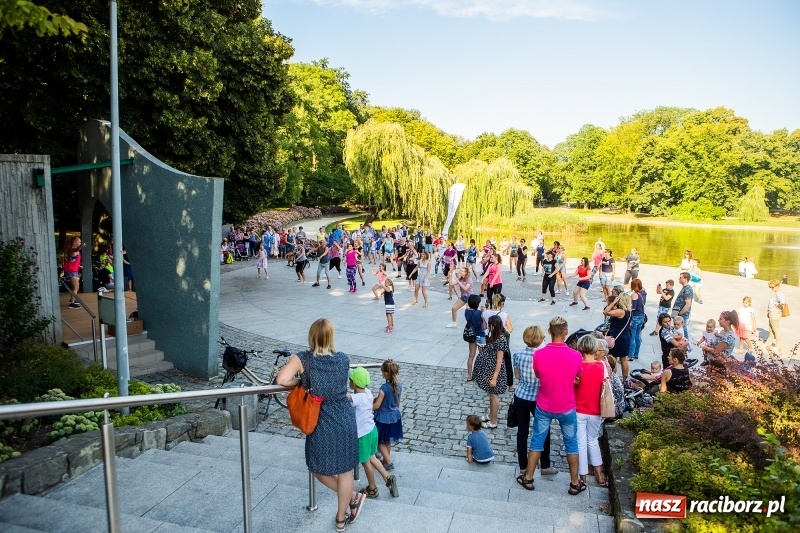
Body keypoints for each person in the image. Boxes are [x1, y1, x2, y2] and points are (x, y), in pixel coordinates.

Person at [275, 319, 365, 531]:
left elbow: (281, 379)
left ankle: (352, 498)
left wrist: (301, 382)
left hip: (320, 421)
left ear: (311, 336)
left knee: (316, 466)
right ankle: (341, 517)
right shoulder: (343, 359)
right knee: (345, 471)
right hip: (344, 419)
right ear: (331, 337)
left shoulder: (303, 359)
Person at [517, 316, 583, 495]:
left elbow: (538, 375)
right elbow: (578, 378)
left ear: (549, 331)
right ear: (566, 332)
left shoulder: (539, 354)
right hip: (567, 405)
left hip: (545, 405)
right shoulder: (576, 356)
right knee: (571, 444)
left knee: (537, 441)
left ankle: (529, 477)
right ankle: (575, 482)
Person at [512, 325, 557, 476]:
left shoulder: (518, 355)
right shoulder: (546, 356)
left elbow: (517, 376)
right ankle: (545, 465)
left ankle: (523, 466)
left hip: (521, 396)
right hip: (539, 398)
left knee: (522, 432)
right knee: (543, 431)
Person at [348, 367, 399, 499]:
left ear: (353, 383)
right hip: (372, 430)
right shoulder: (368, 393)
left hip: (363, 435)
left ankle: (372, 488)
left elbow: (346, 396)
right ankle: (388, 479)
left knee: (366, 462)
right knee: (372, 457)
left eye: (350, 379)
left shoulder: (356, 398)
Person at [574, 335, 607, 488]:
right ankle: (600, 474)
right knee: (592, 440)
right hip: (596, 410)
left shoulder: (577, 365)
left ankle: (583, 476)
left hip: (579, 409)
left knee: (580, 443)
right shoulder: (602, 366)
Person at [473, 315, 509, 429]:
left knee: (494, 396)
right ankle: (491, 415)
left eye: (489, 325)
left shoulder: (501, 339)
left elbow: (499, 361)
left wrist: (494, 378)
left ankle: (493, 421)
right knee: (491, 395)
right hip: (489, 372)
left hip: (495, 373)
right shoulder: (494, 336)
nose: (488, 327)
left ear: (493, 326)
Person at [373, 359, 403, 471]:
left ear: (386, 373)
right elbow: (397, 403)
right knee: (387, 440)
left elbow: (377, 405)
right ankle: (386, 461)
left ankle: (389, 462)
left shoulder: (384, 388)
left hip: (382, 419)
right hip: (394, 417)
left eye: (382, 372)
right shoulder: (399, 386)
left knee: (379, 441)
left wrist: (366, 406)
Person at [482, 293, 515, 389]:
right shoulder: (505, 315)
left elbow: (484, 327)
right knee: (507, 361)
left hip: (489, 340)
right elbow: (510, 329)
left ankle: (488, 378)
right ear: (502, 303)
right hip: (500, 339)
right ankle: (510, 385)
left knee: (490, 360)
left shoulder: (485, 313)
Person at [603, 292, 632, 380]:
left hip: (616, 338)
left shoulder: (620, 311)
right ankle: (625, 379)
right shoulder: (629, 311)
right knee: (624, 359)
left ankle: (612, 378)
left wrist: (613, 302)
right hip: (625, 337)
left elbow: (606, 311)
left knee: (613, 358)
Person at [463, 294, 483, 382]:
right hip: (480, 335)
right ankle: (482, 374)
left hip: (471, 335)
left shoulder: (466, 312)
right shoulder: (479, 313)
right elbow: (484, 325)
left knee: (471, 356)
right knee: (482, 355)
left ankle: (469, 375)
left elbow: (467, 306)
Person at [628, 279, 647, 361]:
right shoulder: (643, 293)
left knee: (632, 336)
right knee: (637, 335)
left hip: (635, 317)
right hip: (641, 316)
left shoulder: (634, 295)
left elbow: (633, 308)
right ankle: (636, 353)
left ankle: (630, 355)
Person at [766, 279, 786, 355]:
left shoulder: (779, 294)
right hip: (772, 313)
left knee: (776, 329)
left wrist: (777, 306)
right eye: (770, 287)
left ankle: (778, 346)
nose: (771, 288)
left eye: (772, 287)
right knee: (771, 329)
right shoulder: (776, 293)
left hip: (774, 313)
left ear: (777, 286)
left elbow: (783, 301)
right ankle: (768, 343)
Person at [672, 272, 694, 338]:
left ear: (685, 279)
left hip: (683, 315)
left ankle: (685, 346)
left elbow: (688, 304)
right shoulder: (684, 288)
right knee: (680, 330)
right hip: (680, 314)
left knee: (683, 331)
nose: (679, 278)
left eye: (681, 277)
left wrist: (680, 314)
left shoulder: (687, 289)